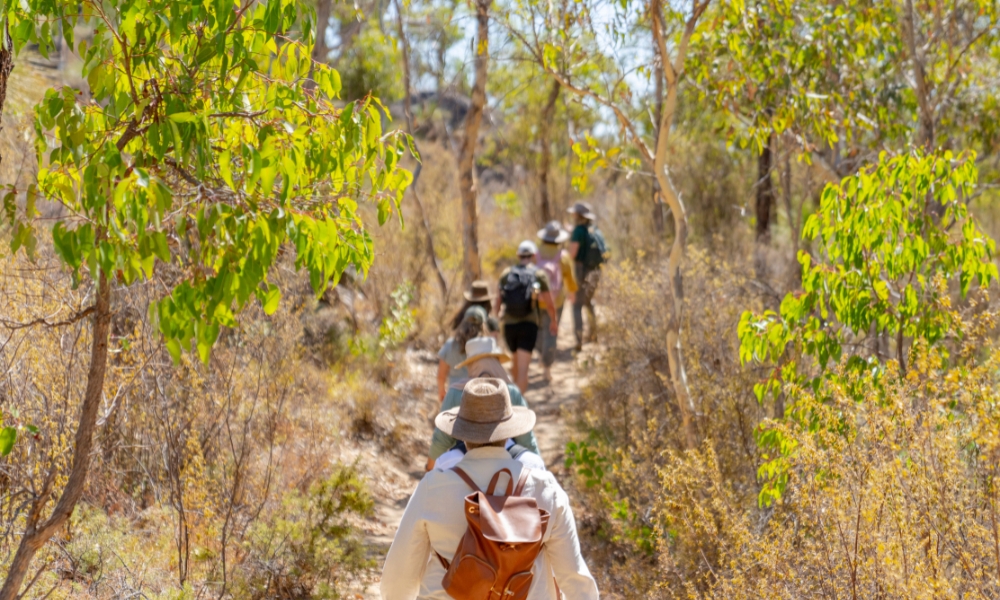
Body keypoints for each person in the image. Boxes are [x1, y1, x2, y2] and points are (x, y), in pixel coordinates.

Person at [381, 378, 600, 599]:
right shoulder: (545, 489)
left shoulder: (433, 489)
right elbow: (575, 579)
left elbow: (399, 576)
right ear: (507, 434)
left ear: (462, 435)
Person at [427, 336, 540, 470]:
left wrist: (429, 470)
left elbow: (441, 440)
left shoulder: (456, 393)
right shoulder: (512, 392)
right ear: (496, 362)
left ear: (471, 364)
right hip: (506, 470)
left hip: (465, 469)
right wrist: (538, 467)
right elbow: (527, 440)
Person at [499, 240, 558, 393]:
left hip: (509, 325)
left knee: (515, 364)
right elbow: (549, 303)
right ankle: (518, 406)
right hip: (529, 325)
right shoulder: (539, 274)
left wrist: (497, 319)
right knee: (524, 370)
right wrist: (554, 321)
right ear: (533, 255)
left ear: (518, 255)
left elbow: (498, 301)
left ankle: (513, 399)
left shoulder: (506, 274)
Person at [535, 220, 578, 382]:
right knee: (552, 331)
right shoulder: (563, 256)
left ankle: (541, 354)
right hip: (556, 300)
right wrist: (572, 293)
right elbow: (570, 279)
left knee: (538, 330)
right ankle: (547, 367)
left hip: (536, 301)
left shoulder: (536, 254)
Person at [567, 202, 608, 352]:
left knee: (577, 305)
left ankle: (578, 340)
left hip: (581, 271)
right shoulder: (595, 230)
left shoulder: (578, 231)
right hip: (596, 272)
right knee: (589, 301)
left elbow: (572, 253)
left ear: (578, 216)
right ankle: (594, 334)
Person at [437, 306, 489, 402]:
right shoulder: (486, 347)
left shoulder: (450, 345)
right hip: (479, 397)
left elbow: (441, 375)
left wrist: (442, 392)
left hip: (454, 395)